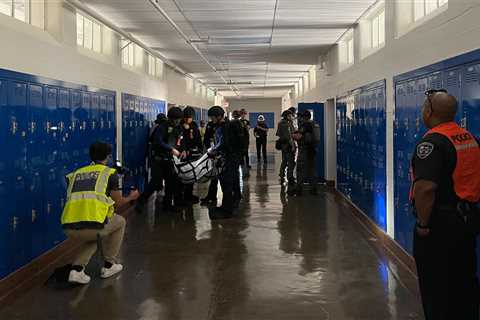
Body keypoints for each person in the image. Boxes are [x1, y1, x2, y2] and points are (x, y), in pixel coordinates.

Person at [410, 89, 480, 320]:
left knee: (436, 287)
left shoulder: (431, 144)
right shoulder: (469, 138)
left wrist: (422, 224)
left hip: (440, 226)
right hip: (467, 221)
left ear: (429, 112)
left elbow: (425, 189)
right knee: (464, 281)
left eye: (423, 107)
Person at [61, 142, 140, 284]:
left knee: (96, 233)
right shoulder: (109, 173)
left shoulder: (77, 173)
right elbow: (118, 203)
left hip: (68, 227)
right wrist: (132, 197)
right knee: (119, 222)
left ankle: (77, 270)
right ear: (109, 157)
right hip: (92, 227)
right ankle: (109, 265)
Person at [139, 106, 184, 212]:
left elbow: (181, 140)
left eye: (178, 119)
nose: (177, 121)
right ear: (170, 118)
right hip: (158, 159)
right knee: (156, 182)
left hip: (170, 160)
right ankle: (141, 201)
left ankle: (167, 205)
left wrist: (184, 149)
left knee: (171, 182)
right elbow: (158, 141)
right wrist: (171, 149)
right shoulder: (162, 127)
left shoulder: (179, 128)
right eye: (175, 119)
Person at [207, 106, 243, 219]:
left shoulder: (225, 127)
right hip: (233, 158)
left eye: (212, 117)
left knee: (226, 183)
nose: (211, 120)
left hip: (228, 159)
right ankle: (232, 203)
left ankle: (227, 210)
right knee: (233, 181)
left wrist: (213, 151)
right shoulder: (227, 125)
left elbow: (223, 143)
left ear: (218, 117)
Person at [179, 106, 203, 204]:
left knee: (191, 175)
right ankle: (180, 196)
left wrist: (200, 149)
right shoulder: (180, 126)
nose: (187, 119)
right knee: (182, 175)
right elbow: (181, 140)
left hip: (193, 154)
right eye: (185, 117)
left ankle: (189, 194)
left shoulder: (194, 125)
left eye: (189, 118)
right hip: (182, 154)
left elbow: (197, 139)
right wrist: (184, 149)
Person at [291, 110, 318, 196]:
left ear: (304, 117)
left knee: (300, 169)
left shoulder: (305, 125)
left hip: (304, 150)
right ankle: (313, 189)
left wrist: (292, 135)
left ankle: (298, 189)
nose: (299, 119)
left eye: (300, 117)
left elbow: (299, 136)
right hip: (312, 150)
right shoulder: (314, 124)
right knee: (311, 170)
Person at [200, 119, 219, 206]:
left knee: (217, 177)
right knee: (214, 177)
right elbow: (207, 139)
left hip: (219, 154)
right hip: (212, 152)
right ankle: (212, 196)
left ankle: (213, 197)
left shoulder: (223, 126)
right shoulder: (210, 125)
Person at [277, 110, 296, 186]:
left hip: (283, 146)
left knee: (284, 161)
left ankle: (282, 176)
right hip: (288, 145)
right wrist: (293, 146)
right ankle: (290, 177)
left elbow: (278, 134)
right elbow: (289, 137)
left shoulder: (281, 123)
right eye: (291, 115)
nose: (292, 117)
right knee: (291, 162)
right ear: (288, 116)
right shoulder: (286, 124)